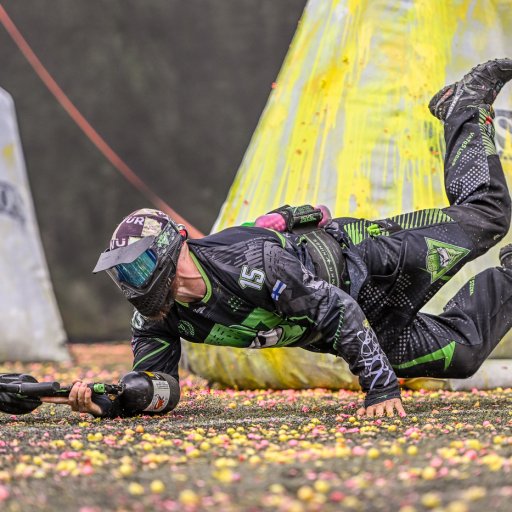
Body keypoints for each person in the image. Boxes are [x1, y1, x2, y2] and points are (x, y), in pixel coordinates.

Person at [44, 58, 512, 419]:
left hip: (371, 258)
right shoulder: (156, 320)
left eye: (137, 267)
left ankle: (463, 105)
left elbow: (334, 306)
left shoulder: (248, 264)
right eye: (125, 274)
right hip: (359, 326)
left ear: (172, 250)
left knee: (487, 216)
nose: (132, 283)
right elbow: (161, 387)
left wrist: (381, 388)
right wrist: (117, 399)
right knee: (465, 352)